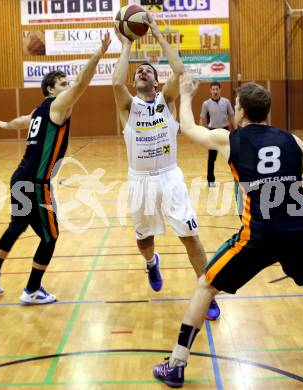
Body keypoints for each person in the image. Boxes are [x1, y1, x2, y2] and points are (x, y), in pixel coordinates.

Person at [153, 73, 303, 387]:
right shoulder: (292, 140)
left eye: (235, 106)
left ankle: (177, 365)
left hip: (261, 235)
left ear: (242, 113)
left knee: (206, 284)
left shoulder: (228, 138)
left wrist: (185, 95)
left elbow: (190, 129)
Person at [0, 33, 111, 304]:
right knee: (50, 237)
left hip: (20, 178)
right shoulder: (58, 105)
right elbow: (83, 83)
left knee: (17, 226)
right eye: (63, 83)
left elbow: (22, 120)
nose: (68, 86)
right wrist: (99, 53)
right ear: (51, 90)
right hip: (37, 183)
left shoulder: (40, 110)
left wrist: (7, 125)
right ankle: (32, 290)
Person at [112, 14, 220, 321]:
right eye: (139, 72)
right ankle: (151, 263)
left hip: (170, 177)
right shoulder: (127, 106)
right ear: (135, 82)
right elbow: (117, 81)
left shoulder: (167, 100)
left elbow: (180, 70)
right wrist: (126, 46)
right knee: (144, 241)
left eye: (149, 70)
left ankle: (207, 291)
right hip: (140, 181)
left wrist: (157, 33)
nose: (143, 72)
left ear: (157, 82)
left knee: (190, 236)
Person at [199, 81, 234, 187]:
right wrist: (201, 133)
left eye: (217, 89)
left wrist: (236, 130)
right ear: (210, 90)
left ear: (220, 90)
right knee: (211, 158)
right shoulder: (206, 104)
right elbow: (202, 119)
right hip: (212, 132)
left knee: (232, 156)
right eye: (213, 89)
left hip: (224, 131)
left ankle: (237, 178)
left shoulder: (226, 102)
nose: (215, 91)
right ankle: (210, 181)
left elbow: (232, 117)